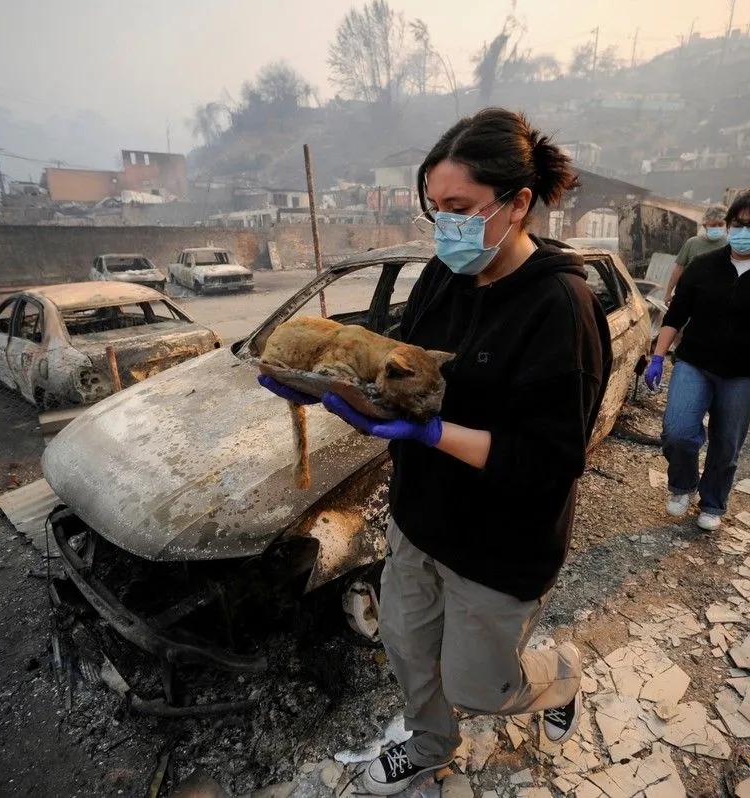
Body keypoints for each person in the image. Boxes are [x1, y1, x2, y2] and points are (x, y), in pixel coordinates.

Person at [259, 108, 613, 795]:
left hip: (497, 545)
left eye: (459, 207)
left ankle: (560, 677)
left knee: (481, 686)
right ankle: (428, 745)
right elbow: (401, 364)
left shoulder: (560, 309)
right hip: (419, 519)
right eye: (434, 208)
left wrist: (431, 433)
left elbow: (548, 462)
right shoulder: (445, 275)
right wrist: (330, 380)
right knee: (410, 654)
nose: (443, 224)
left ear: (518, 203)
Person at [643, 188, 750, 531]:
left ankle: (713, 502)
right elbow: (676, 315)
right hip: (695, 362)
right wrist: (658, 358)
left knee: (726, 443)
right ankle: (682, 485)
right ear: (729, 225)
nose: (744, 231)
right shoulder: (704, 266)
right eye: (738, 223)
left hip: (747, 373)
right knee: (678, 433)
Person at [663, 205, 728, 306]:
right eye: (713, 225)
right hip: (692, 299)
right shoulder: (692, 243)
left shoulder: (730, 245)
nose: (717, 228)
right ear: (705, 225)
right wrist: (668, 293)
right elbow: (678, 269)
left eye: (720, 224)